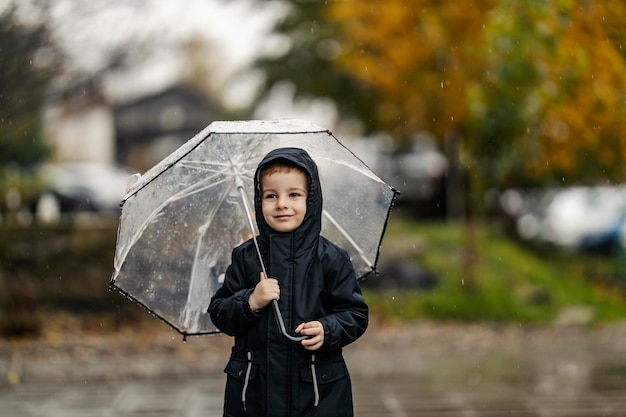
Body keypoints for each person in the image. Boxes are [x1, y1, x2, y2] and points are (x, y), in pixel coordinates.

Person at [208, 147, 368, 417]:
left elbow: (355, 313)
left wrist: (327, 329)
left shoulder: (330, 258)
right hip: (254, 393)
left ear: (311, 200)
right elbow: (220, 312)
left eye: (294, 194)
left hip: (318, 394)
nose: (282, 203)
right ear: (259, 201)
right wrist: (250, 301)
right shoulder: (247, 257)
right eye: (271, 196)